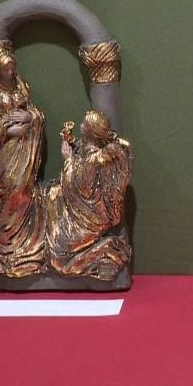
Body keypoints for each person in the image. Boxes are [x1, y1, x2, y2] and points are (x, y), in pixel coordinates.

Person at [0, 49, 46, 277]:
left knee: (26, 191)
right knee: (13, 190)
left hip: (27, 149)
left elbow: (35, 113)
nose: (10, 71)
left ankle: (25, 243)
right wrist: (7, 129)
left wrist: (30, 117)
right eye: (5, 68)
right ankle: (4, 241)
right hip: (8, 150)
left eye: (12, 66)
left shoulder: (21, 87)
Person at [45, 111, 133, 281]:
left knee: (58, 253)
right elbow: (81, 154)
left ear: (91, 130)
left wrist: (68, 159)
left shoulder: (94, 160)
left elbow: (77, 187)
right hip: (78, 210)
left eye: (84, 124)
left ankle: (106, 247)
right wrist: (72, 143)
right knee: (48, 195)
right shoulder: (88, 149)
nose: (80, 125)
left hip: (88, 218)